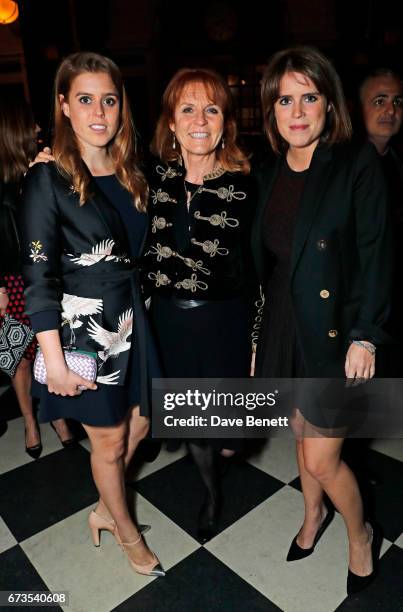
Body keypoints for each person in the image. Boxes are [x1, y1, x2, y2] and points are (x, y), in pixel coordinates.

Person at [252, 47, 391, 595]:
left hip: (337, 327)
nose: (298, 110)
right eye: (285, 99)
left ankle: (361, 533)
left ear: (329, 105)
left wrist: (366, 335)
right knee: (298, 433)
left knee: (322, 455)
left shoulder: (356, 164)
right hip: (287, 323)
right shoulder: (266, 172)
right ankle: (313, 519)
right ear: (272, 110)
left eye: (309, 97)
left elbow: (377, 255)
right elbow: (262, 265)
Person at [19, 52, 164, 577]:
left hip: (132, 319)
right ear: (63, 106)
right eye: (85, 99)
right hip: (84, 328)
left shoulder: (131, 171)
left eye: (109, 99)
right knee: (109, 440)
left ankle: (105, 507)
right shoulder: (48, 179)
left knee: (143, 424)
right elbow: (39, 278)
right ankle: (125, 532)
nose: (99, 111)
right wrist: (53, 361)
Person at [143, 67, 257, 542]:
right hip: (168, 322)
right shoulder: (152, 179)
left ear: (225, 121)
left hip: (224, 323)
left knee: (221, 428)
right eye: (187, 108)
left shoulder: (249, 185)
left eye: (212, 108)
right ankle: (211, 492)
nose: (199, 119)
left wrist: (256, 343)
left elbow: (262, 270)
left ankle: (215, 473)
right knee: (193, 424)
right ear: (171, 122)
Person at [0, 96, 75, 458]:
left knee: (51, 347)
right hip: (11, 280)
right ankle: (30, 420)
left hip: (43, 275)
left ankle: (57, 416)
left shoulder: (41, 168)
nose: (36, 129)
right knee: (20, 357)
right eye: (28, 124)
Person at [359, 68, 403, 375]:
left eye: (398, 101)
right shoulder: (343, 168)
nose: (390, 109)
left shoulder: (397, 163)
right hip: (360, 324)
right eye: (379, 101)